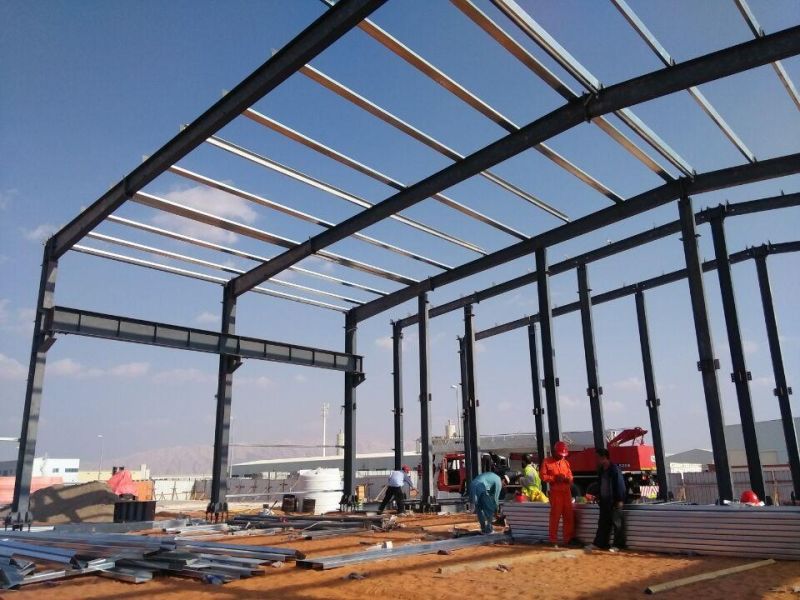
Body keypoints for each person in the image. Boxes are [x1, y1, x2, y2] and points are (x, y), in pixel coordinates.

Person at [587, 448, 627, 551]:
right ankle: (600, 543)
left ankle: (618, 545)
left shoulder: (614, 469)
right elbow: (600, 485)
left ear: (604, 457)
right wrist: (598, 496)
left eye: (597, 457)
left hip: (614, 501)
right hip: (604, 501)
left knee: (617, 524)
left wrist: (619, 500)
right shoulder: (601, 471)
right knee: (603, 523)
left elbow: (620, 485)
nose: (596, 460)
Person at [540, 441, 574, 545]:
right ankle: (553, 540)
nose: (561, 457)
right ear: (554, 452)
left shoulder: (565, 462)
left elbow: (570, 476)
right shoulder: (547, 462)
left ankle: (568, 539)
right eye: (560, 455)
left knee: (568, 516)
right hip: (556, 493)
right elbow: (542, 476)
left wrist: (568, 479)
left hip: (566, 492)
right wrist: (554, 478)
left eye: (563, 455)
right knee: (555, 517)